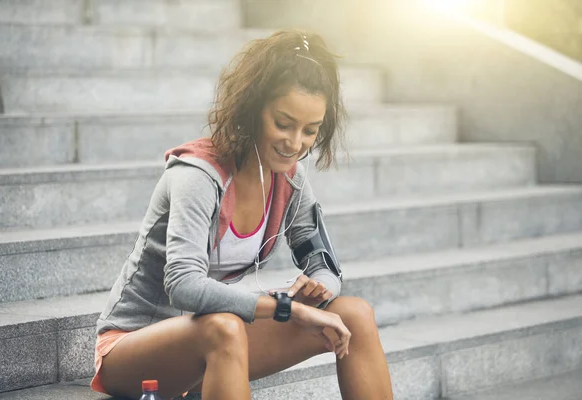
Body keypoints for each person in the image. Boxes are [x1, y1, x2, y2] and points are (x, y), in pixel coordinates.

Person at [90, 29, 394, 400]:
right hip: (134, 349)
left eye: (310, 130)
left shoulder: (290, 179)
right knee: (225, 328)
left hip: (216, 345)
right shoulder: (198, 174)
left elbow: (325, 264)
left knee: (354, 315)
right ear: (252, 109)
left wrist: (318, 290)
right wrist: (286, 309)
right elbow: (183, 284)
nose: (294, 143)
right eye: (283, 124)